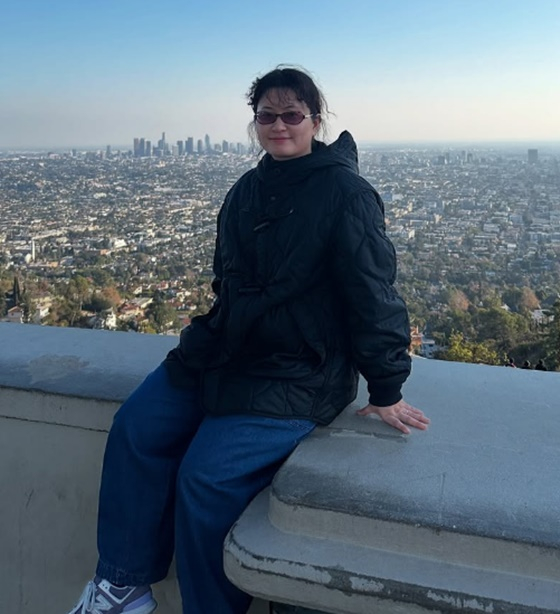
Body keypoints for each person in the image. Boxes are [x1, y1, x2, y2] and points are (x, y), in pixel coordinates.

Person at [65, 65, 430, 614]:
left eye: (292, 115)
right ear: (255, 122)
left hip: (298, 368)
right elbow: (227, 282)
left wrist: (386, 387)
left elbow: (372, 293)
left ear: (316, 120)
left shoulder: (346, 194)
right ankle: (122, 586)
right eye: (267, 115)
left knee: (205, 477)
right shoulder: (247, 189)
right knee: (136, 428)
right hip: (226, 349)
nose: (279, 125)